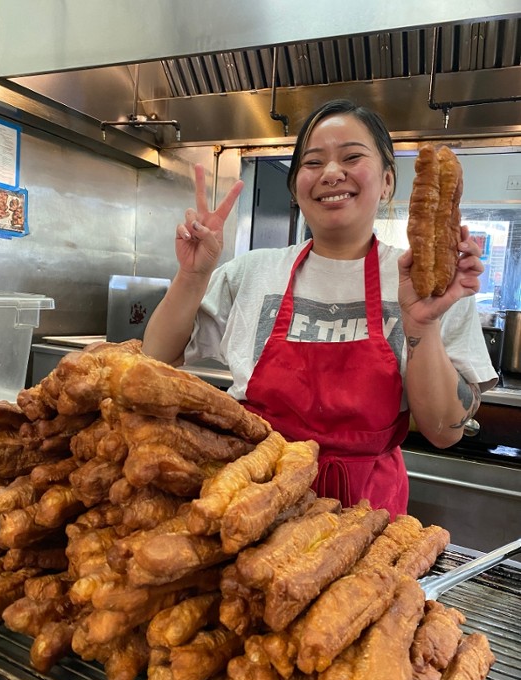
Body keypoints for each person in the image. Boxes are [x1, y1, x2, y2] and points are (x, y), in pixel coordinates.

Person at [143, 98, 497, 518]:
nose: (331, 173)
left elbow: (443, 431)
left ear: (386, 181)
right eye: (313, 162)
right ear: (295, 187)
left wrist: (422, 324)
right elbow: (156, 358)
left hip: (366, 517)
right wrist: (193, 274)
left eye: (351, 157)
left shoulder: (429, 285)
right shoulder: (253, 272)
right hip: (252, 500)